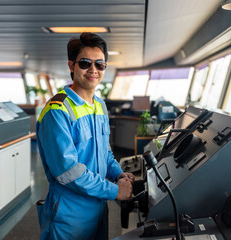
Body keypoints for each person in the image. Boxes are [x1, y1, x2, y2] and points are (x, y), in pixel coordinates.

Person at [36, 32, 134, 240]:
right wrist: (115, 191)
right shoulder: (57, 110)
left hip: (99, 209)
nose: (93, 70)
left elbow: (105, 153)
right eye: (85, 63)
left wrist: (118, 175)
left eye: (100, 64)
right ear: (72, 66)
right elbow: (68, 171)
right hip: (70, 215)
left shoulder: (99, 106)